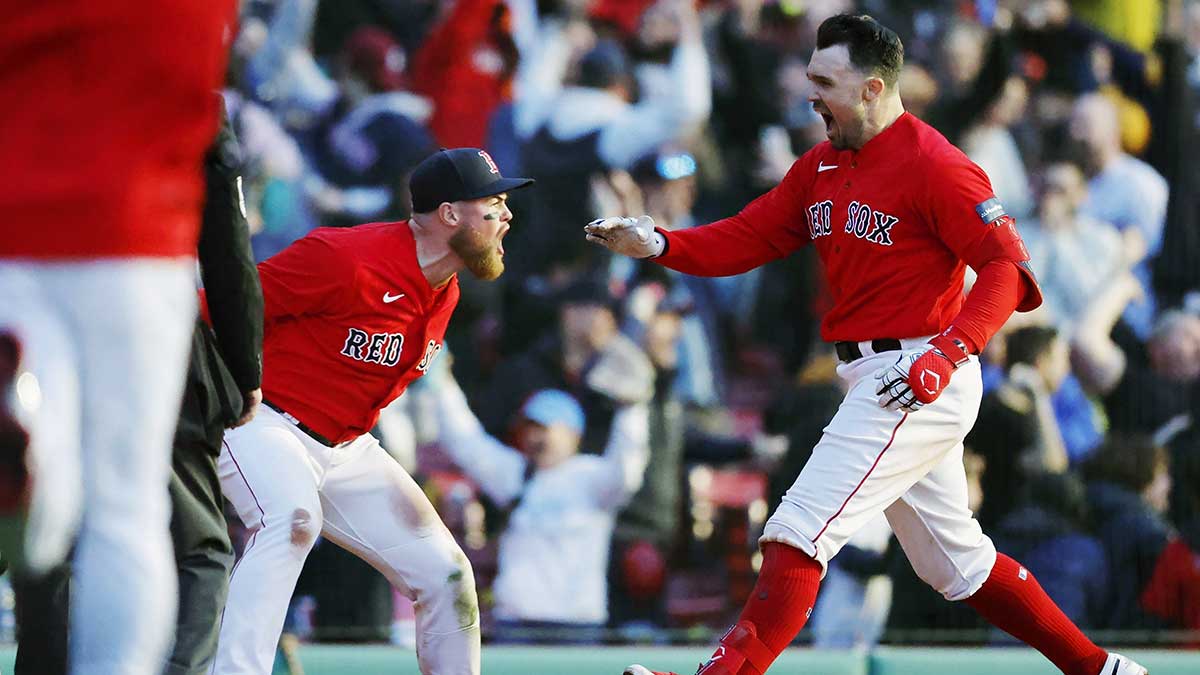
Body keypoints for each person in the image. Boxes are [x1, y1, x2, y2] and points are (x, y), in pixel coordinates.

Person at [585, 14, 1146, 675]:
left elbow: (1007, 269)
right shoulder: (821, 163)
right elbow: (747, 235)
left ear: (875, 88)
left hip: (916, 370)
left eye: (825, 80)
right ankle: (1098, 668)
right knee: (957, 563)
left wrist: (949, 352)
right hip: (873, 370)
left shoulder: (937, 163)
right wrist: (659, 242)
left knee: (797, 529)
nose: (811, 93)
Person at [210, 147, 533, 674]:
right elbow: (225, 305)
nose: (508, 215)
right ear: (450, 214)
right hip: (262, 420)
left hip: (345, 446)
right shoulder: (346, 257)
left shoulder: (443, 291)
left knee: (446, 574)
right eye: (494, 203)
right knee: (291, 521)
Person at [0, 3, 236, 673]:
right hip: (137, 236)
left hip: (10, 223)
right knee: (126, 507)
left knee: (57, 504)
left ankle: (42, 465)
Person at [432, 380, 649, 639]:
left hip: (578, 626)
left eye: (546, 428)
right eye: (530, 428)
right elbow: (465, 441)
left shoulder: (594, 479)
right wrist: (441, 383)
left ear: (573, 434)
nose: (536, 437)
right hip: (515, 623)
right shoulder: (514, 473)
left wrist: (631, 409)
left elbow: (628, 467)